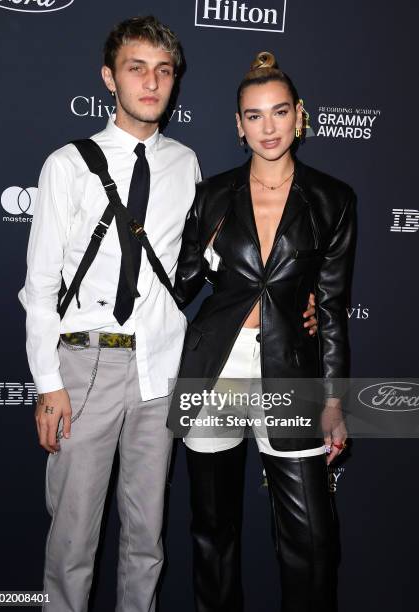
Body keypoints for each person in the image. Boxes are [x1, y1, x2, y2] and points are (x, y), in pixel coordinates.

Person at [19, 15, 318, 610]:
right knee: (73, 540)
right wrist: (47, 384)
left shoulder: (188, 166)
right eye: (137, 69)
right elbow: (38, 284)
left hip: (162, 368)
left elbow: (213, 263)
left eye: (163, 71)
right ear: (110, 78)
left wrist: (291, 299)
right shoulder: (68, 165)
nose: (152, 83)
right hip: (85, 365)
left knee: (146, 539)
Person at [169, 51, 356, 611]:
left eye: (278, 112)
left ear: (299, 115)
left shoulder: (332, 199)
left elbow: (332, 307)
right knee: (214, 531)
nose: (267, 127)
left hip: (291, 366)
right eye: (254, 116)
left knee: (312, 540)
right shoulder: (213, 195)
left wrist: (333, 400)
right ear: (238, 125)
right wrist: (192, 247)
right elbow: (179, 287)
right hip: (218, 369)